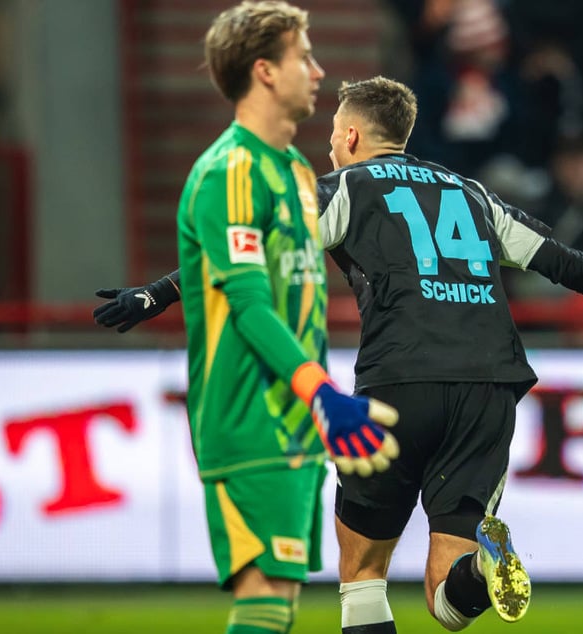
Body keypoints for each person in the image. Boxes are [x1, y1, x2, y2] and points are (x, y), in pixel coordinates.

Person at [95, 77, 583, 632]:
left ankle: (462, 575)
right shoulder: (473, 195)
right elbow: (570, 265)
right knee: (445, 600)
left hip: (400, 383)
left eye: (333, 136)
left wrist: (155, 295)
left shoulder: (342, 188)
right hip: (490, 388)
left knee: (361, 572)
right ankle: (479, 574)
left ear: (350, 136)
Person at [94, 5, 401, 634]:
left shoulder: (292, 172)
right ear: (264, 71)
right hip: (247, 416)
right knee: (263, 600)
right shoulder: (230, 172)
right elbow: (249, 305)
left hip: (292, 423)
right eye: (303, 57)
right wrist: (324, 393)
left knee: (279, 603)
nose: (318, 71)